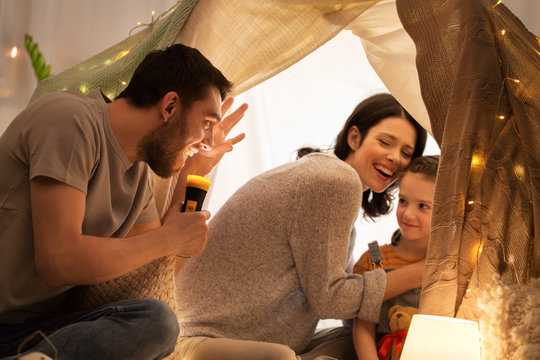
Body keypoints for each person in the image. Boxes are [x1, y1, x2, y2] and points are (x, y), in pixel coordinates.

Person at [0, 44, 247, 360]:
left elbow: (156, 267)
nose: (206, 140)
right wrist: (166, 238)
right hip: (8, 322)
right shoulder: (69, 120)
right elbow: (58, 263)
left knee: (156, 322)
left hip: (37, 331)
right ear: (170, 106)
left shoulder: (139, 173)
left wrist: (194, 173)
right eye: (207, 123)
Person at [175, 93, 428, 360]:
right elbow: (331, 299)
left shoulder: (330, 179)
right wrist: (420, 273)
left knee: (350, 340)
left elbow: (344, 297)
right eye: (385, 142)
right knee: (285, 356)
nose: (394, 158)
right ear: (354, 138)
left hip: (247, 340)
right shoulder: (335, 181)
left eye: (406, 153)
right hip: (203, 338)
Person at [352, 155, 439, 360]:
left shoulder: (450, 263)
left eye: (423, 206)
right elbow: (363, 327)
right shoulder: (373, 260)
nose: (407, 214)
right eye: (403, 201)